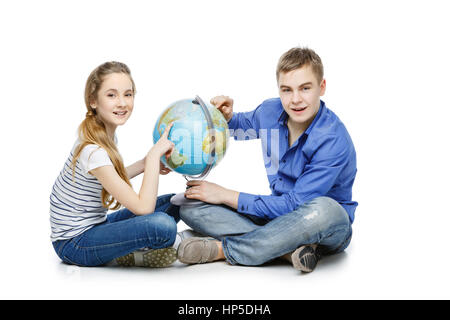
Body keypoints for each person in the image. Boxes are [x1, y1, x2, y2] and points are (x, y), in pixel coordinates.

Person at [177, 47, 358, 273]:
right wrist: (226, 118)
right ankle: (286, 250)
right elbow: (242, 126)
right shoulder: (270, 111)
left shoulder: (333, 139)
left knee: (325, 209)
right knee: (189, 206)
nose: (296, 99)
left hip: (323, 225)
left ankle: (225, 249)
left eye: (305, 88)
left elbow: (295, 205)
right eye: (287, 90)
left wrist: (224, 194)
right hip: (276, 216)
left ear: (321, 87)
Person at [50, 61, 180, 267]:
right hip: (73, 244)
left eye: (128, 94)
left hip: (96, 226)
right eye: (111, 95)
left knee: (174, 202)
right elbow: (143, 208)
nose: (122, 103)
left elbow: (110, 179)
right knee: (163, 226)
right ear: (93, 101)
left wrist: (145, 163)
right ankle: (137, 250)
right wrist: (154, 156)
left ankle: (124, 247)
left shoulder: (103, 136)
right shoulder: (93, 150)